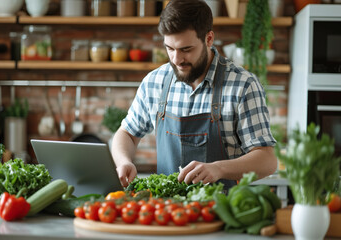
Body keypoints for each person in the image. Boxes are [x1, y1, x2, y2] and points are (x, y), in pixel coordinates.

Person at [111, 0, 277, 191]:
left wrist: (218, 169)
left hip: (220, 211)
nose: (176, 59)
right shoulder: (154, 82)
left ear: (209, 39)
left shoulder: (243, 85)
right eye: (170, 48)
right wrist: (124, 161)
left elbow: (267, 159)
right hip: (165, 211)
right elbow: (127, 134)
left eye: (186, 49)